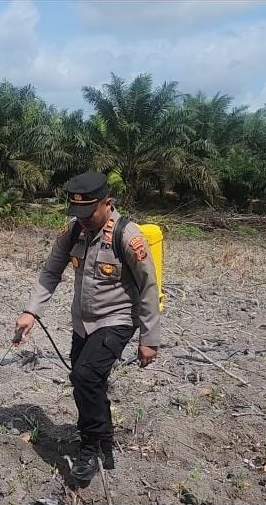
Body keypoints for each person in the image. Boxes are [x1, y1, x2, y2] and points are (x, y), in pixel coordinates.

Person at [15, 171, 161, 483]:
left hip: (117, 319)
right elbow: (50, 271)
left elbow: (149, 287)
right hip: (83, 323)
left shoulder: (127, 236)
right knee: (85, 380)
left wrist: (149, 338)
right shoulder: (73, 232)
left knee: (85, 376)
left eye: (88, 213)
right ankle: (104, 441)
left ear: (107, 204)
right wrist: (31, 311)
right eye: (77, 213)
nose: (83, 220)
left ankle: (91, 448)